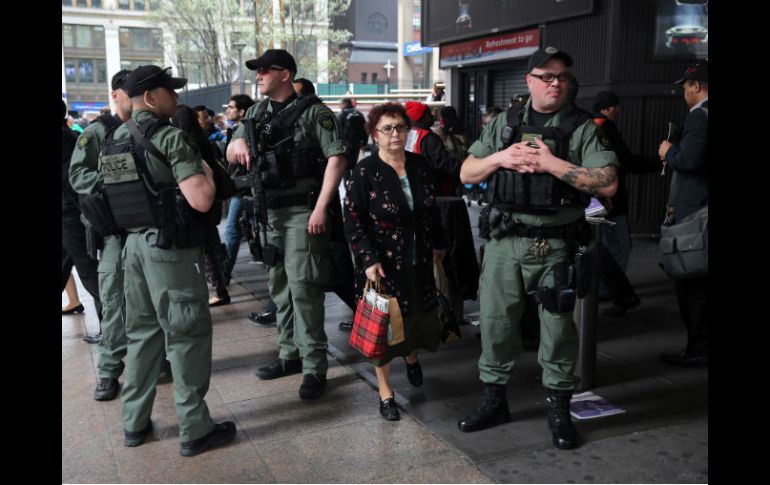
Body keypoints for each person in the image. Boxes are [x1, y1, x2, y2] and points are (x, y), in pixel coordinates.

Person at [457, 47, 619, 450]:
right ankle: (494, 401)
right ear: (529, 80)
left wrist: (551, 164)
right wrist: (501, 157)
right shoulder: (506, 123)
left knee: (558, 330)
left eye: (561, 76)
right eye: (546, 76)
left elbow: (608, 183)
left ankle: (559, 410)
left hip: (556, 245)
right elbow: (466, 172)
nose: (555, 83)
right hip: (504, 241)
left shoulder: (582, 127)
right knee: (495, 323)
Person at [108, 65, 235, 456]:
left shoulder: (115, 140)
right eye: (170, 91)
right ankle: (195, 428)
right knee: (186, 334)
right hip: (169, 253)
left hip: (132, 249)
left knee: (142, 335)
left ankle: (134, 422)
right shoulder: (170, 138)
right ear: (150, 97)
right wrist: (207, 171)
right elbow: (201, 199)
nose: (177, 97)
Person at [227, 49, 347, 400]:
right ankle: (289, 355)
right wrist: (237, 141)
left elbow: (337, 159)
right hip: (268, 214)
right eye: (258, 71)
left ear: (285, 74)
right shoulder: (256, 113)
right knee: (279, 287)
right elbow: (232, 149)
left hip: (301, 212)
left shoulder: (314, 113)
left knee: (304, 289)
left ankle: (314, 366)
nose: (259, 76)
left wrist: (321, 208)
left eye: (266, 70)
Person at [344, 102, 447, 421]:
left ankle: (411, 356)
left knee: (414, 314)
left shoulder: (420, 165)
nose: (395, 134)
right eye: (387, 128)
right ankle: (386, 392)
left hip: (419, 256)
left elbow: (432, 210)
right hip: (382, 262)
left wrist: (439, 242)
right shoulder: (365, 171)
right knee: (385, 325)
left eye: (401, 127)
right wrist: (368, 258)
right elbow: (353, 220)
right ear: (374, 134)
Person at [69, 70, 135, 400]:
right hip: (115, 232)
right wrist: (117, 180)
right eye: (130, 92)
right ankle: (109, 370)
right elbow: (78, 175)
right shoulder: (98, 132)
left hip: (149, 229)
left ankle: (157, 358)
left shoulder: (150, 128)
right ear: (116, 95)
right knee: (113, 301)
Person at [591, 91, 662, 316]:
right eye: (616, 106)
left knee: (598, 243)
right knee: (618, 246)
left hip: (591, 199)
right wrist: (659, 163)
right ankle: (613, 292)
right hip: (610, 200)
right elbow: (626, 161)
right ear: (606, 108)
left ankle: (603, 289)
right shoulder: (606, 128)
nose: (619, 110)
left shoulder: (587, 126)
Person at [657, 60, 708, 367]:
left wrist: (668, 151)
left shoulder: (700, 117)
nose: (684, 92)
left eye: (685, 86)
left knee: (692, 283)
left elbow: (689, 161)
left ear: (696, 86)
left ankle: (699, 348)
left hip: (696, 214)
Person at [171, 104, 232, 307]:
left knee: (201, 249)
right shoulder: (203, 139)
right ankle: (221, 288)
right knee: (211, 246)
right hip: (211, 198)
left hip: (194, 202)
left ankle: (216, 291)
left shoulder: (184, 142)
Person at [62, 100, 103, 333]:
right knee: (89, 271)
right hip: (75, 212)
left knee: (89, 274)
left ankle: (114, 326)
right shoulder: (73, 137)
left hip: (69, 216)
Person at [221, 94, 256, 286]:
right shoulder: (236, 130)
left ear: (242, 111)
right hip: (241, 187)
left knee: (232, 231)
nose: (227, 110)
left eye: (231, 107)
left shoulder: (246, 130)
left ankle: (223, 276)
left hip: (244, 189)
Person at [337, 97, 368, 177]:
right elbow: (365, 128)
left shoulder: (342, 114)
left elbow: (338, 130)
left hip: (345, 143)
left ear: (344, 104)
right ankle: (355, 180)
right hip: (356, 143)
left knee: (345, 164)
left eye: (340, 104)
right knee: (354, 163)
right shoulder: (359, 113)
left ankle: (347, 181)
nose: (339, 106)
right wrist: (365, 141)